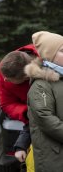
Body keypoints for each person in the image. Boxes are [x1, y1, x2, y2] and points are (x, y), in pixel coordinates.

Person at [24, 31, 63, 172]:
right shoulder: (41, 85)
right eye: (62, 51)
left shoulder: (61, 77)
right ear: (50, 55)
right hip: (54, 157)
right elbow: (45, 118)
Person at [0, 45, 38, 166]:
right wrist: (25, 112)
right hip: (31, 118)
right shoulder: (3, 70)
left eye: (9, 79)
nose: (4, 80)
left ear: (26, 77)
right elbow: (6, 103)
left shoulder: (51, 60)